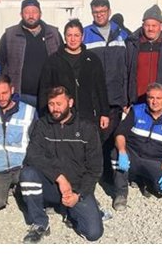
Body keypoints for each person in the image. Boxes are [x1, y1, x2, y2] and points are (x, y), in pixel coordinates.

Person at [19, 86, 104, 243]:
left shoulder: (87, 128)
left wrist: (78, 195)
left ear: (70, 102)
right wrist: (59, 177)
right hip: (52, 183)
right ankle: (39, 223)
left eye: (59, 104)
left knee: (93, 233)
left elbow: (95, 169)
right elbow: (33, 155)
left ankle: (70, 211)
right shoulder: (43, 125)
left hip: (76, 188)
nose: (55, 109)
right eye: (51, 104)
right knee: (27, 174)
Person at [111, 83, 162, 210]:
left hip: (154, 161)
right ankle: (121, 194)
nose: (154, 102)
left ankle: (145, 181)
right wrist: (122, 151)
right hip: (132, 157)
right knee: (115, 154)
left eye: (158, 98)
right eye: (151, 98)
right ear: (147, 99)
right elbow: (120, 133)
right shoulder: (137, 111)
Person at [38, 19, 109, 127]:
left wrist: (105, 113)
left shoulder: (92, 59)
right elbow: (44, 89)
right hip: (62, 117)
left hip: (88, 116)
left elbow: (101, 88)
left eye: (76, 35)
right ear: (64, 36)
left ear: (82, 36)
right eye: (69, 35)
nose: (73, 39)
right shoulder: (53, 61)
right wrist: (44, 115)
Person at [0, 75, 37, 210]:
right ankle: (6, 188)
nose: (1, 98)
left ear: (12, 90)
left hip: (22, 166)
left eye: (5, 93)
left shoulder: (28, 111)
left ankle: (18, 189)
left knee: (29, 200)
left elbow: (36, 141)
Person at [0, 0, 63, 106]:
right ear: (21, 14)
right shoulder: (10, 35)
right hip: (19, 96)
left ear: (40, 14)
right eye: (27, 12)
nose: (31, 16)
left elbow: (63, 63)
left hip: (49, 96)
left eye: (34, 12)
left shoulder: (53, 34)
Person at [82, 0, 128, 149]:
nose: (99, 15)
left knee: (112, 141)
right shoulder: (85, 35)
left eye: (102, 11)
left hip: (116, 99)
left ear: (109, 11)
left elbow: (128, 67)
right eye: (96, 12)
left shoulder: (123, 35)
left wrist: (126, 97)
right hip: (94, 98)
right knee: (94, 140)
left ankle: (107, 172)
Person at [126, 5, 162, 106]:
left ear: (161, 27)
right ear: (142, 26)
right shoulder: (132, 44)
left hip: (161, 102)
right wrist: (126, 99)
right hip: (137, 101)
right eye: (147, 25)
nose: (150, 29)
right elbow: (124, 72)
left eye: (154, 26)